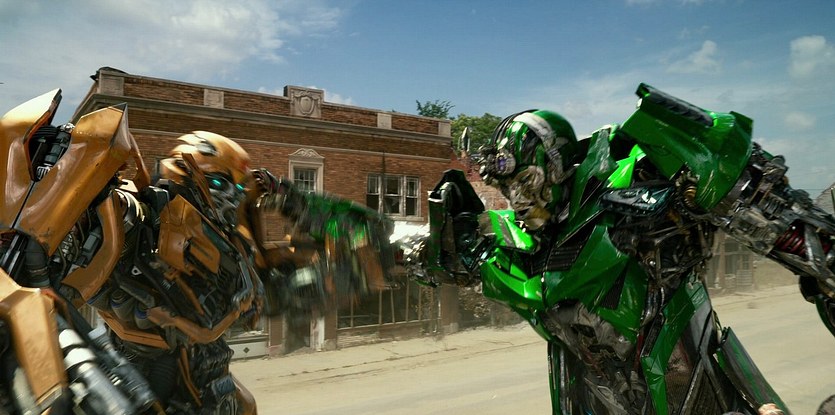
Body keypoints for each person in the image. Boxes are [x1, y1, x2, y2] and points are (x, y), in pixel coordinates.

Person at [404, 83, 835, 414]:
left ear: (556, 164)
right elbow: (443, 259)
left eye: (526, 181)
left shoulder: (637, 179)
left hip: (699, 392)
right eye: (507, 186)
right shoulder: (511, 246)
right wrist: (428, 248)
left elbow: (756, 200)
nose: (518, 198)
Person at [0, 89, 393, 414]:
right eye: (226, 185)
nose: (234, 198)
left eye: (239, 189)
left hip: (208, 386)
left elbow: (365, 235)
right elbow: (93, 220)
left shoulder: (237, 252)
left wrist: (286, 196)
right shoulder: (146, 214)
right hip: (134, 375)